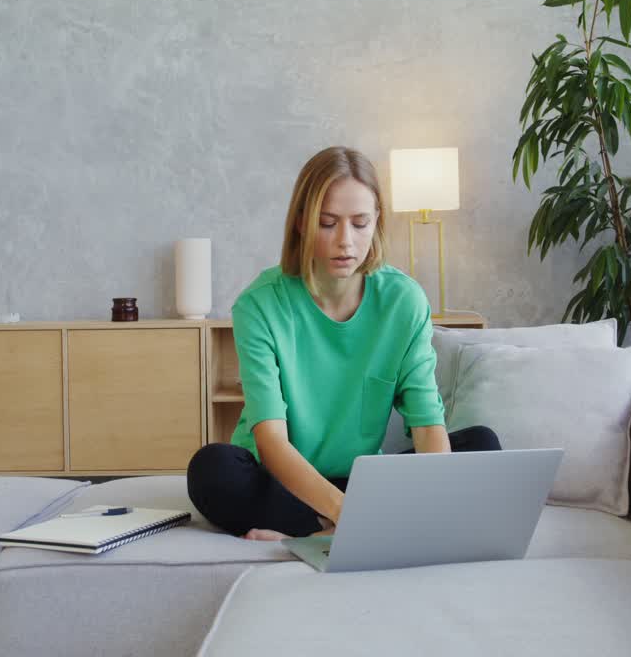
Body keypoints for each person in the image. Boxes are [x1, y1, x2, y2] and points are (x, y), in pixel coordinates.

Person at [186, 146, 501, 541]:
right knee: (211, 470)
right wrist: (346, 512)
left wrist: (428, 495)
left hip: (364, 483)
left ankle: (311, 534)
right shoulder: (259, 305)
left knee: (482, 444)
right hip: (285, 482)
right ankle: (357, 527)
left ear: (377, 223)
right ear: (301, 222)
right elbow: (270, 441)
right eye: (328, 222)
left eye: (360, 223)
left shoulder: (404, 301)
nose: (345, 242)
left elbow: (426, 424)